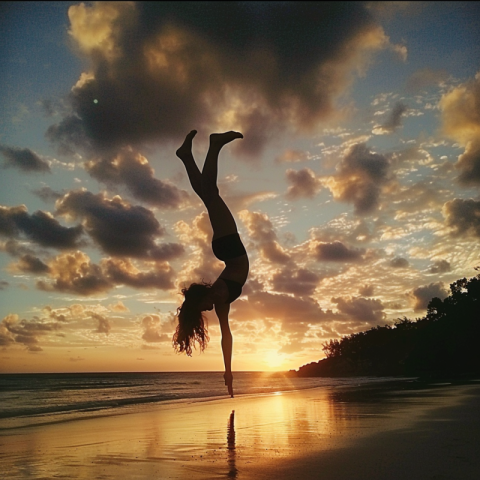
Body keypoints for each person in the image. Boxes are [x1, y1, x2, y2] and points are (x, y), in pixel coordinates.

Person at [173, 130, 249, 397]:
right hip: (225, 248)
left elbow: (226, 335)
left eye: (201, 308)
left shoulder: (219, 298)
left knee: (211, 193)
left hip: (231, 247)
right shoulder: (219, 300)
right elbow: (226, 337)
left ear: (203, 299)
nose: (207, 310)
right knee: (208, 196)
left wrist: (229, 370)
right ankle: (185, 157)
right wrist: (228, 370)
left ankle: (215, 145)